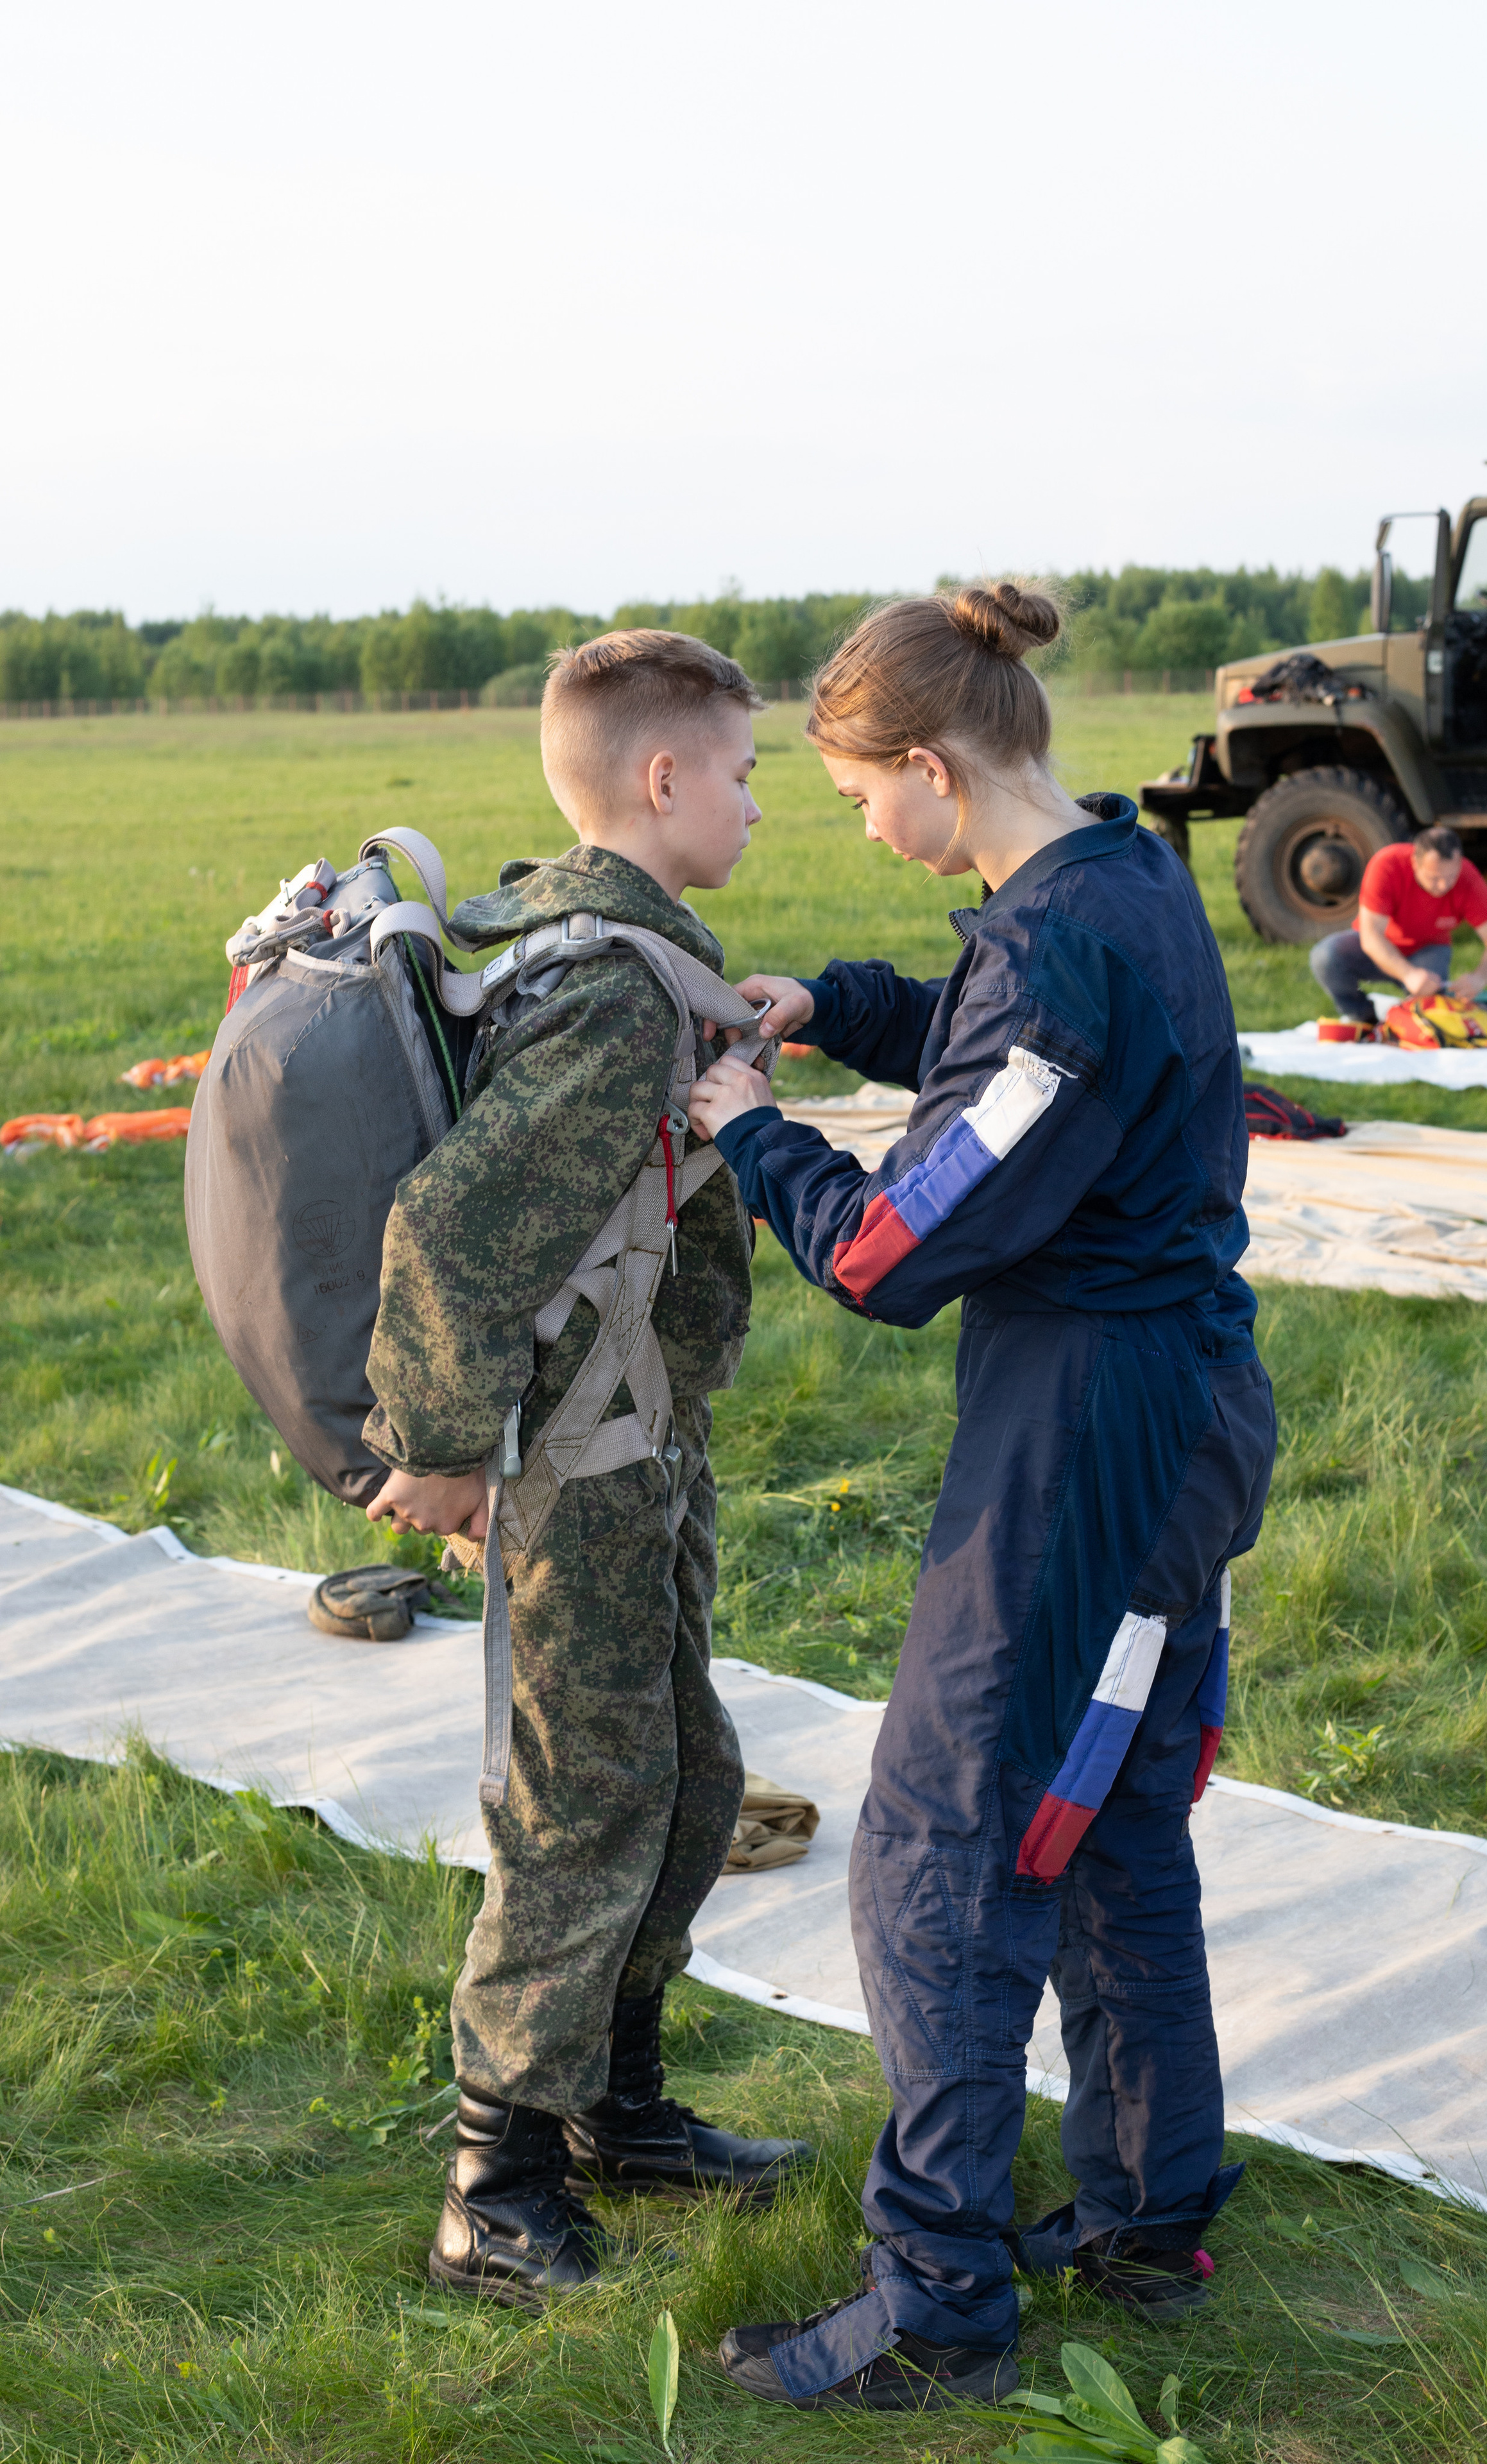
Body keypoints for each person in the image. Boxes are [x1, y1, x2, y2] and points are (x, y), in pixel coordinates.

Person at [687, 583, 1277, 2414]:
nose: (860, 822)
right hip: (1177, 1417)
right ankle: (1152, 2213)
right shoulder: (1119, 874)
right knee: (1107, 1823)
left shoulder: (1065, 953)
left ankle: (936, 2297)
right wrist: (837, 1002)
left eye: (865, 792)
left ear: (934, 767)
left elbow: (890, 1245)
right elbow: (995, 1035)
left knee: (941, 1848)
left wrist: (747, 1129)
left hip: (1088, 1454)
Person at [362, 630, 813, 2303]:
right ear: (664, 777)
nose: (762, 806)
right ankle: (497, 2183)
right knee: (584, 1798)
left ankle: (616, 2104)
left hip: (639, 1446)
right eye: (749, 775)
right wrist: (443, 1451)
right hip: (573, 1462)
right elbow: (455, 1223)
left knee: (685, 1774)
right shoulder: (614, 990)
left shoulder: (618, 961)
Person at [1309, 825, 1487, 1023]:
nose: (1443, 886)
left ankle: (1416, 1020)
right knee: (1325, 957)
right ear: (1415, 862)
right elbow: (1371, 937)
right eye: (1434, 878)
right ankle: (1363, 1018)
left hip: (1429, 949)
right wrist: (1408, 974)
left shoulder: (1468, 878)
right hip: (1380, 945)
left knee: (1431, 1015)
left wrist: (1480, 978)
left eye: (1451, 877)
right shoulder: (1387, 864)